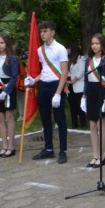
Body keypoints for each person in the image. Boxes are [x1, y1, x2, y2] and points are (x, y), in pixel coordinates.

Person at [24, 21, 69, 164]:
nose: (43, 34)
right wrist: (33, 80)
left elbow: (64, 72)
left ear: (52, 32)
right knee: (45, 119)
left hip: (56, 85)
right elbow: (44, 71)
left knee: (60, 120)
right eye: (41, 31)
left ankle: (63, 151)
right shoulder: (39, 50)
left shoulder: (60, 49)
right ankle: (48, 149)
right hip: (43, 85)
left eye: (45, 31)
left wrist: (58, 93)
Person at [81, 34, 105, 168]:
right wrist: (83, 96)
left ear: (102, 45)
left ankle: (102, 156)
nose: (94, 46)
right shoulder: (88, 60)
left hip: (102, 93)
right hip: (91, 93)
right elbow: (86, 80)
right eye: (92, 43)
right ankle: (95, 155)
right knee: (92, 126)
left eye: (97, 43)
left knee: (101, 126)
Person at [0, 34, 19, 158]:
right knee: (0, 118)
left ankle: (11, 146)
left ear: (7, 43)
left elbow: (14, 77)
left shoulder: (12, 58)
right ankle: (4, 145)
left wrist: (6, 92)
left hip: (8, 89)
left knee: (9, 116)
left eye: (2, 43)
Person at [67, 43, 87, 129]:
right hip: (70, 86)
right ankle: (74, 123)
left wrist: (73, 81)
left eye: (68, 49)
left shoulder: (81, 58)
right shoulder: (69, 60)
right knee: (72, 106)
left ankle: (83, 123)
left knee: (80, 105)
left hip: (79, 86)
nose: (67, 51)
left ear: (72, 49)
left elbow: (81, 72)